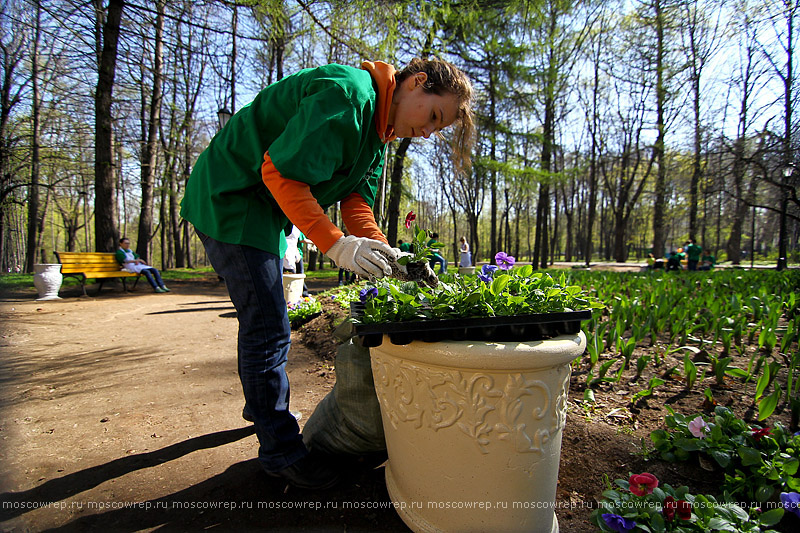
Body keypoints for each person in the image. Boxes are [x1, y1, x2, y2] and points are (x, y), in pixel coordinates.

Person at [180, 57, 474, 489]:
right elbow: (279, 172)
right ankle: (282, 453)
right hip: (233, 198)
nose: (428, 132)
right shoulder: (348, 95)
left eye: (438, 128)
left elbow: (356, 202)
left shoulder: (378, 132)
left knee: (267, 320)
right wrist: (335, 245)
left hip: (265, 209)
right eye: (433, 116)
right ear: (417, 82)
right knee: (268, 325)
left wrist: (382, 250)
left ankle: (261, 404)